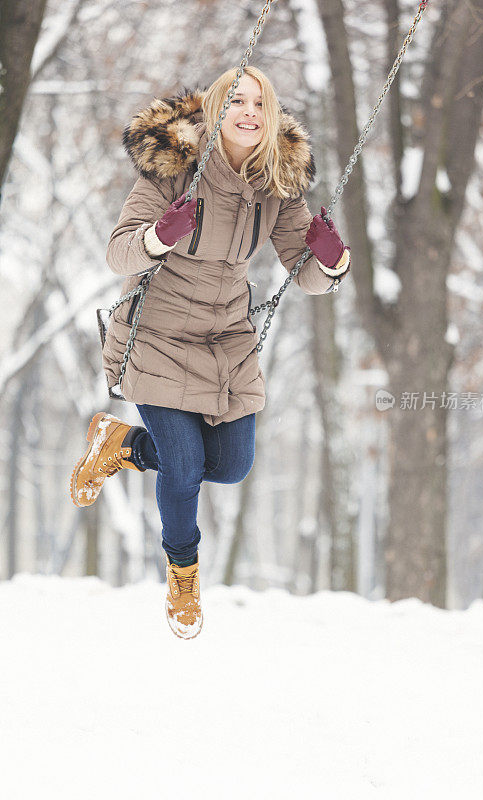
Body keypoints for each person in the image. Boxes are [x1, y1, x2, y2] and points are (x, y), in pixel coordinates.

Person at [70, 66, 351, 639]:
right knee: (185, 465)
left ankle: (118, 443)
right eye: (237, 101)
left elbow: (307, 276)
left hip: (227, 342)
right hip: (157, 336)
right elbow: (119, 255)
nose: (249, 112)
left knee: (231, 464)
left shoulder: (277, 182)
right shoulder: (173, 171)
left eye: (260, 103)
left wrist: (333, 260)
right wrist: (157, 237)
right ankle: (183, 575)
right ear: (217, 109)